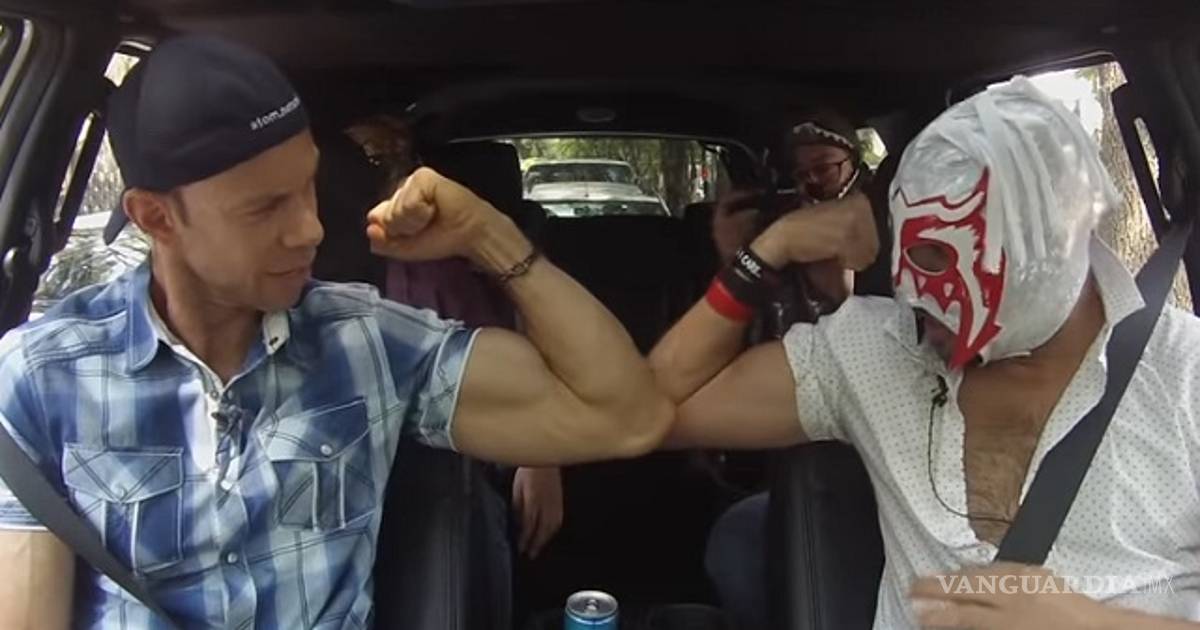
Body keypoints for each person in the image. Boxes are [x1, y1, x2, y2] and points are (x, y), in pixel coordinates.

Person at [0, 36, 671, 629]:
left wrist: (487, 235)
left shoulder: (367, 341)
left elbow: (624, 417)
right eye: (266, 207)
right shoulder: (41, 378)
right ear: (156, 218)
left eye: (309, 189)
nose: (311, 230)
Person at [651, 77, 1200, 629]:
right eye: (905, 253)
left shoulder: (1187, 375)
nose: (909, 290)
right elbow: (648, 411)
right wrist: (767, 252)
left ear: (1043, 244)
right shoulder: (875, 351)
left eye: (936, 257)